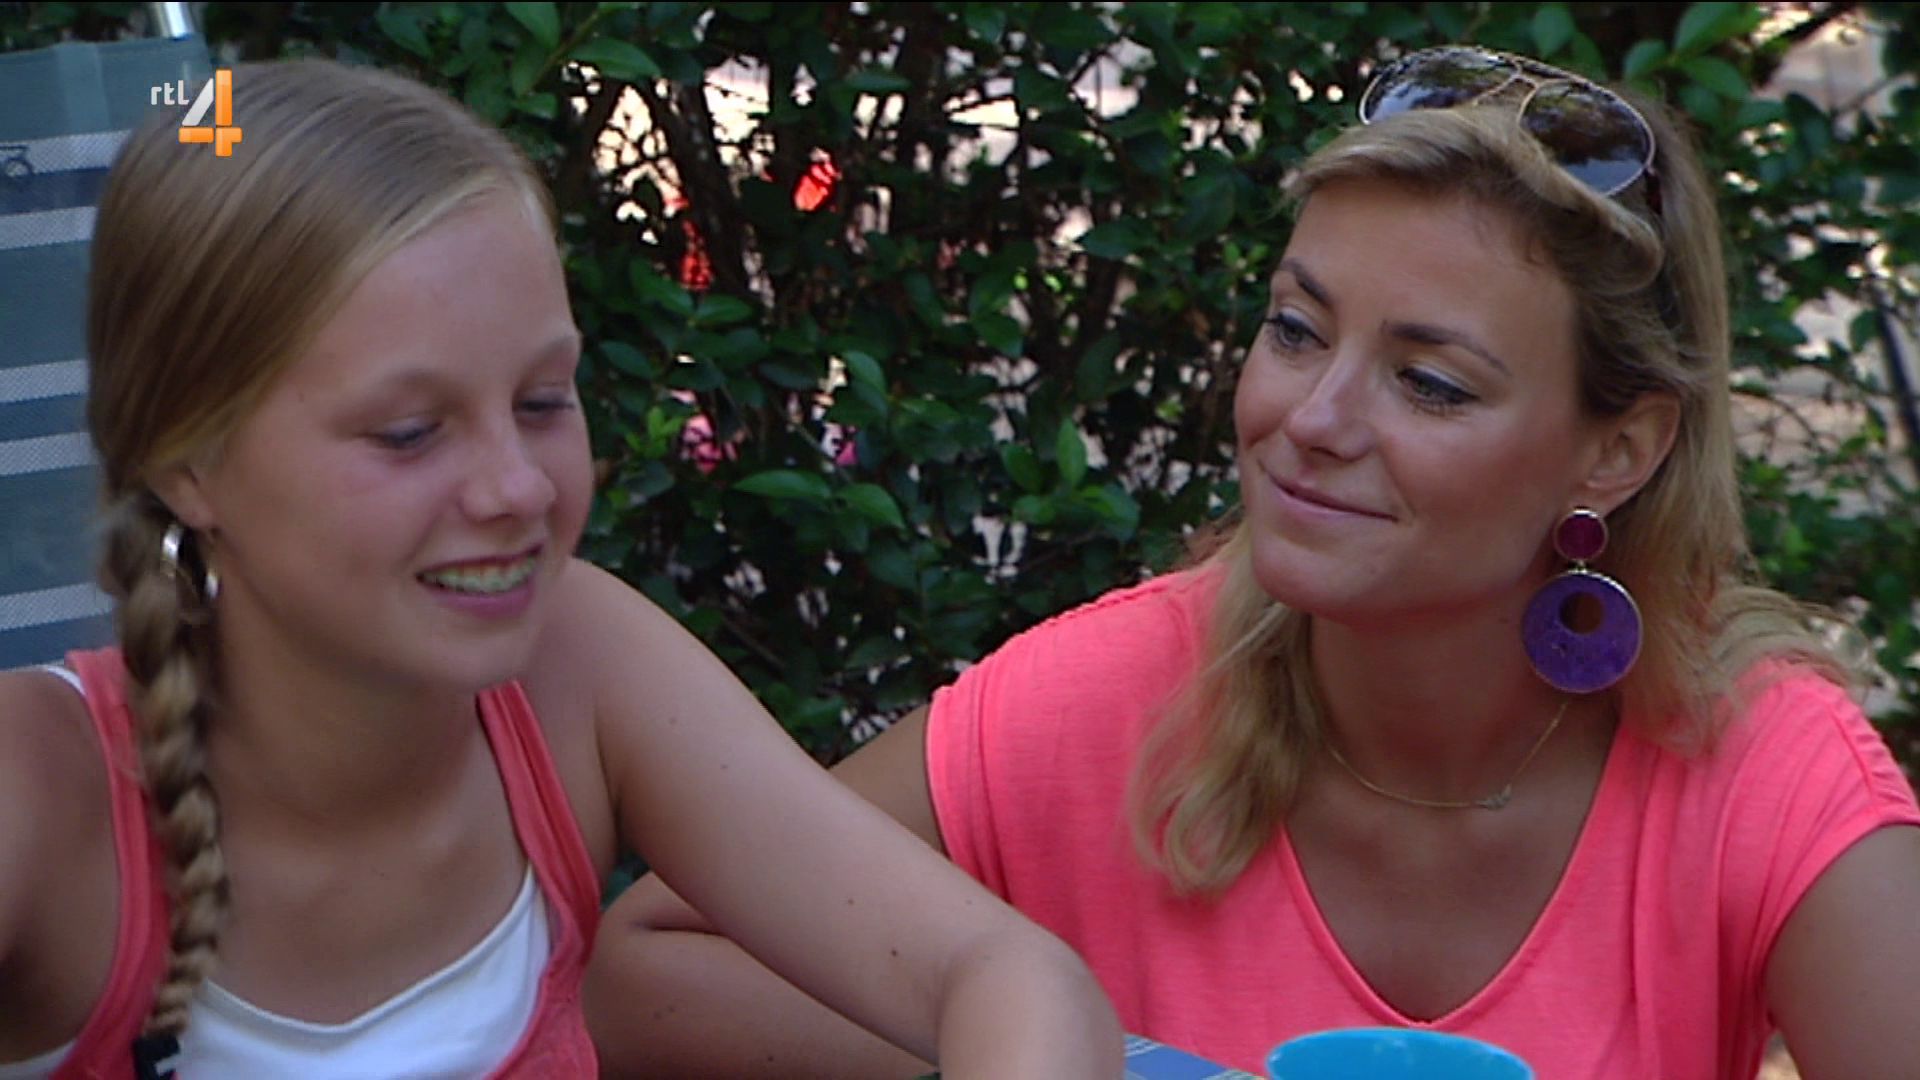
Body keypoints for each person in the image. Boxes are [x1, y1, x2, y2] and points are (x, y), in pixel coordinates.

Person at [586, 45, 1920, 1079]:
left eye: (1430, 383)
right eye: (1296, 329)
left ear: (1614, 452)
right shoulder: (1118, 692)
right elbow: (654, 970)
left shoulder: (1759, 765)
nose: (1311, 419)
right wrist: (1075, 1058)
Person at [0, 58, 1124, 1080]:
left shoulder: (574, 669)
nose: (517, 487)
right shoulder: (41, 794)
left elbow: (1004, 973)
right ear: (188, 464)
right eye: (409, 432)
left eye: (543, 402)